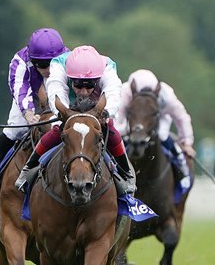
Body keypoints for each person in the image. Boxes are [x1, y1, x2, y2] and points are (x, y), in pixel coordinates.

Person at [15, 45, 136, 194]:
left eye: (90, 85)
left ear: (97, 78)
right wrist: (64, 112)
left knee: (110, 130)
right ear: (70, 77)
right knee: (57, 130)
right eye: (78, 85)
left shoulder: (107, 67)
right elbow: (56, 91)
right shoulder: (59, 65)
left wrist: (106, 112)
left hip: (97, 106)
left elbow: (113, 92)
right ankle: (28, 168)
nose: (84, 92)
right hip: (69, 106)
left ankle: (126, 173)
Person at [0, 27, 69, 182]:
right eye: (42, 64)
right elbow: (20, 88)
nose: (47, 69)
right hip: (28, 95)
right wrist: (28, 113)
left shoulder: (69, 59)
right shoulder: (19, 61)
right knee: (17, 129)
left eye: (51, 64)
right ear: (32, 60)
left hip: (60, 93)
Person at [116, 69, 196, 186]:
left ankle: (182, 169)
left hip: (158, 118)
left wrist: (187, 142)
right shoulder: (125, 92)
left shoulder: (167, 95)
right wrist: (128, 130)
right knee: (121, 138)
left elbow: (182, 117)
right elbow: (116, 122)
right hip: (132, 120)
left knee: (162, 135)